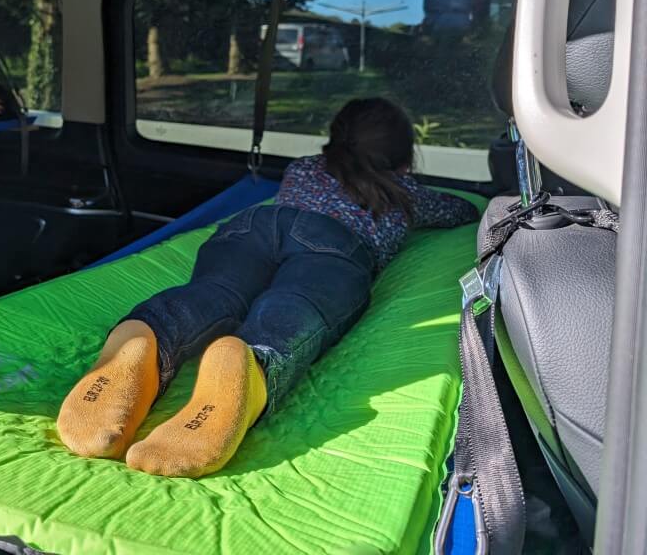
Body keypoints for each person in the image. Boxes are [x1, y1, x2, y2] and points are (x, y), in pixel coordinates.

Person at [57, 97, 479, 478]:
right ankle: (250, 358)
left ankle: (148, 331)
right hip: (333, 244)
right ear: (401, 157)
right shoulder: (404, 192)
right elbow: (460, 209)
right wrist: (409, 185)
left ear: (336, 139)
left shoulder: (304, 168)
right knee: (294, 304)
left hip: (251, 228)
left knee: (216, 291)